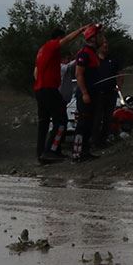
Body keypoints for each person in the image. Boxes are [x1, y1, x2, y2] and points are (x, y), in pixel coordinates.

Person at [33, 24, 84, 163]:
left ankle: (41, 153)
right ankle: (51, 150)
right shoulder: (51, 46)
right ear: (58, 37)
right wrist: (80, 30)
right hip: (49, 89)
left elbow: (35, 72)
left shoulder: (41, 50)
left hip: (40, 89)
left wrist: (40, 82)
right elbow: (66, 40)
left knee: (43, 122)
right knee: (61, 120)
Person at [71, 25, 102, 162]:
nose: (101, 38)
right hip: (86, 94)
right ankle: (77, 154)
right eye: (98, 35)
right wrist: (84, 93)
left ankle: (85, 151)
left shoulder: (93, 53)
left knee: (89, 123)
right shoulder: (84, 53)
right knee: (82, 123)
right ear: (92, 38)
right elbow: (79, 74)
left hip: (93, 93)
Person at [93, 36, 121, 149]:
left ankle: (104, 141)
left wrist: (118, 86)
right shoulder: (94, 59)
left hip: (111, 93)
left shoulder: (113, 59)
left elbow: (119, 74)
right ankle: (95, 141)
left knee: (108, 118)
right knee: (96, 118)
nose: (105, 45)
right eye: (103, 43)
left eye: (106, 43)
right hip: (98, 94)